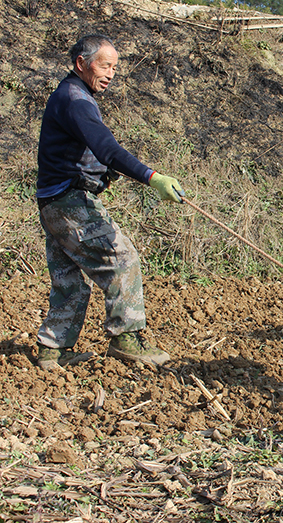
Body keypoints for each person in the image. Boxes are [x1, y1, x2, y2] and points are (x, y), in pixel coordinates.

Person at [35, 34, 185, 369]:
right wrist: (152, 177)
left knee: (69, 278)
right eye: (105, 65)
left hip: (52, 202)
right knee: (122, 258)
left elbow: (88, 153)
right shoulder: (76, 100)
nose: (111, 73)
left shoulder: (69, 96)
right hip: (70, 201)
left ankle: (53, 351)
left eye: (115, 67)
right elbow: (107, 149)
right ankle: (126, 339)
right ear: (81, 64)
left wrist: (103, 175)